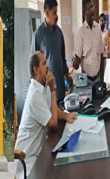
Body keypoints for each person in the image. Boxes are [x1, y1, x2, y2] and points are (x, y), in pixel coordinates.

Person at [15, 51, 77, 179]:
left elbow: (51, 108)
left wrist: (66, 115)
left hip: (40, 151)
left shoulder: (43, 86)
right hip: (27, 160)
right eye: (44, 63)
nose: (48, 66)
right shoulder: (35, 95)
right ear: (36, 69)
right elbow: (53, 125)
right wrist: (53, 89)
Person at [31, 0, 73, 103]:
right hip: (46, 90)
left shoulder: (59, 32)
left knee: (62, 115)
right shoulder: (38, 34)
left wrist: (67, 75)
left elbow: (62, 57)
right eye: (54, 13)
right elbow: (34, 65)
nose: (56, 15)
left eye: (56, 12)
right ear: (46, 13)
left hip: (60, 86)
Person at [72, 0, 104, 83]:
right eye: (89, 8)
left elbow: (101, 55)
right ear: (84, 11)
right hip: (85, 80)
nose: (92, 10)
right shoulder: (81, 32)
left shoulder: (98, 28)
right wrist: (75, 63)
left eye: (93, 7)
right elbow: (76, 64)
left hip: (98, 79)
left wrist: (102, 79)